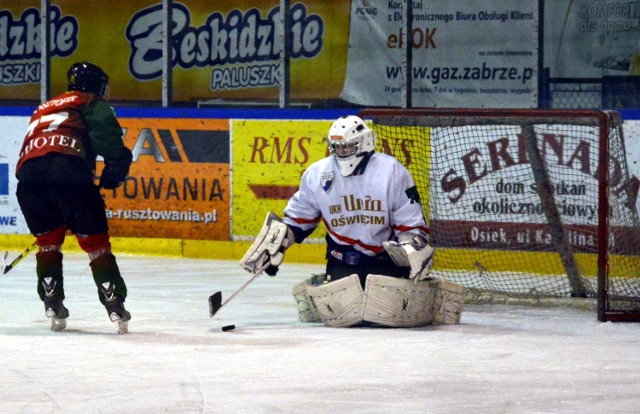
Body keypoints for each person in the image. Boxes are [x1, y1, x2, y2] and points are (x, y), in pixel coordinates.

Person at [240, 115, 465, 328]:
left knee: (386, 316)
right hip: (342, 264)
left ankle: (429, 295)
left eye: (347, 147)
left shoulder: (391, 171)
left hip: (385, 262)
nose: (342, 153)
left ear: (364, 143)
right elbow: (298, 221)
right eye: (337, 147)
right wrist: (276, 245)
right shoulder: (317, 174)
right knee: (347, 318)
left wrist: (411, 251)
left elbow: (410, 223)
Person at [15, 61, 132, 333]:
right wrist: (116, 163)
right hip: (67, 172)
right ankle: (114, 302)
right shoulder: (88, 100)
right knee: (96, 244)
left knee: (47, 243)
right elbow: (104, 131)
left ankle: (51, 300)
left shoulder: (45, 106)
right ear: (95, 85)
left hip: (29, 179)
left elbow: (40, 145)